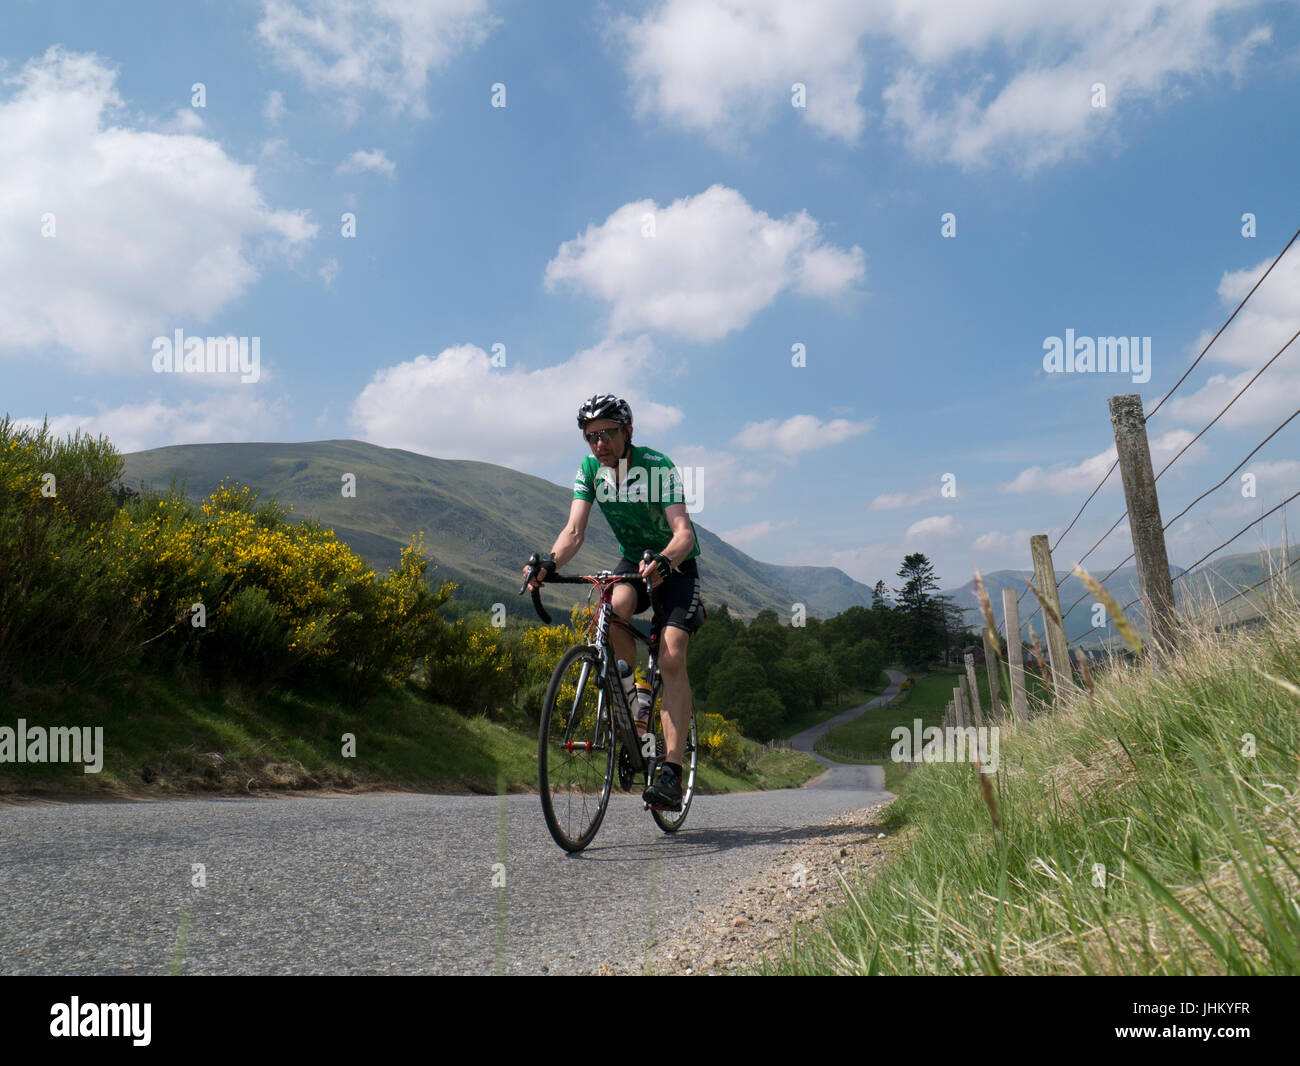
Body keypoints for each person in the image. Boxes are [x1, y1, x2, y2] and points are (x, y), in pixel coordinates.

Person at [522, 394, 703, 809]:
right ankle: (633, 700)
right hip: (633, 562)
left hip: (675, 565)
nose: (599, 443)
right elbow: (574, 532)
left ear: (628, 433)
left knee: (672, 654)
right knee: (612, 608)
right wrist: (549, 562)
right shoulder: (589, 471)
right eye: (590, 437)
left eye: (607, 433)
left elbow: (684, 533)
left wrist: (665, 560)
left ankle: (671, 773)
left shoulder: (657, 467)